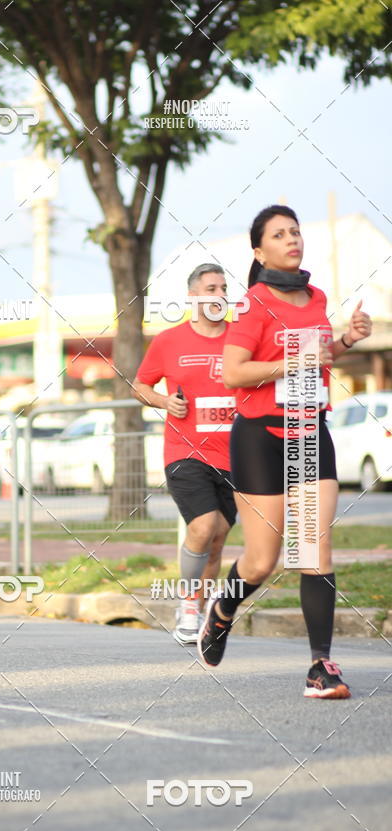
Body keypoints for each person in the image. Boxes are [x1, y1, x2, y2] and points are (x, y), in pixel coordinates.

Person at [198, 204, 372, 699]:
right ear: (260, 250)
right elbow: (234, 373)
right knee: (260, 561)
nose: (292, 238)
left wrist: (345, 340)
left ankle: (321, 666)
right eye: (279, 233)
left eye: (295, 230)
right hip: (259, 438)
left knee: (314, 548)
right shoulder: (253, 304)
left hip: (310, 429)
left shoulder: (315, 296)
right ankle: (223, 609)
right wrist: (292, 363)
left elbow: (319, 353)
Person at [132, 263, 237, 643]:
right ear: (193, 296)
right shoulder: (169, 341)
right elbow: (139, 385)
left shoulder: (241, 340)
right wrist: (164, 401)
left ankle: (205, 607)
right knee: (203, 526)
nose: (219, 294)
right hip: (186, 451)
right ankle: (187, 604)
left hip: (235, 453)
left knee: (218, 538)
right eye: (211, 288)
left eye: (224, 287)